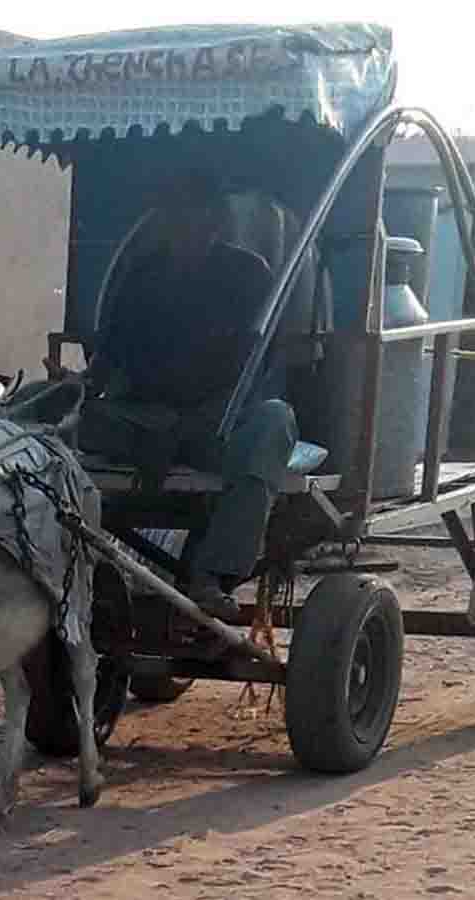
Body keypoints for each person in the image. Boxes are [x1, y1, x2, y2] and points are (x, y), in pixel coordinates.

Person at [80, 171, 318, 620]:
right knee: (65, 422)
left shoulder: (248, 274)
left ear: (216, 222)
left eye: (197, 216)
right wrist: (82, 389)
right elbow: (108, 356)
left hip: (215, 424)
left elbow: (255, 365)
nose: (186, 226)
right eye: (176, 216)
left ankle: (215, 574)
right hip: (142, 423)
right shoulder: (142, 275)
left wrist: (200, 417)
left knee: (274, 422)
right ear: (164, 222)